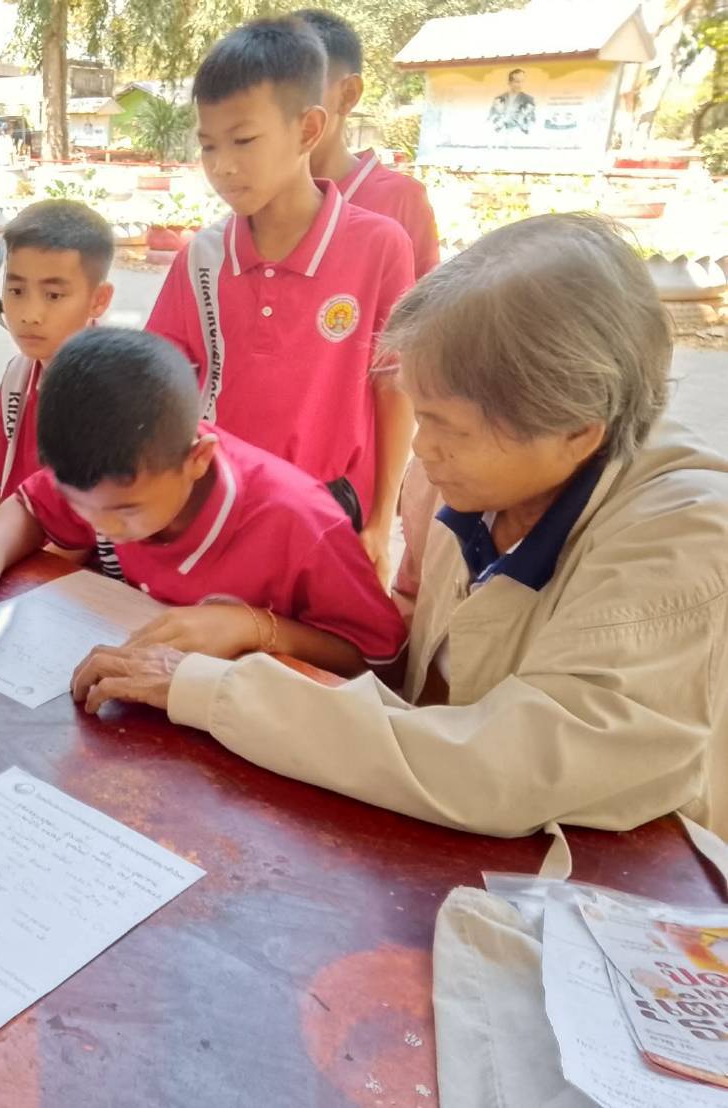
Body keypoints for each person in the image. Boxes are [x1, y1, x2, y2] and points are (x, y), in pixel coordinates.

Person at [73, 213, 728, 839]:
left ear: (574, 433)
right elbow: (410, 664)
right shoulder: (463, 476)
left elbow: (499, 770)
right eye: (420, 414)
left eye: (445, 425)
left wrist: (211, 689)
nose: (419, 450)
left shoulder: (680, 538)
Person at [0, 328, 408, 676]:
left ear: (198, 459)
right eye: (82, 508)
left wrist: (253, 628)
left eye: (126, 512)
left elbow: (380, 659)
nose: (104, 530)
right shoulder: (107, 477)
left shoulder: (300, 523)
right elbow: (30, 505)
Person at [145, 17, 416, 585]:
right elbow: (158, 381)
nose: (222, 165)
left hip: (331, 516)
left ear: (308, 129)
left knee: (312, 659)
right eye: (208, 144)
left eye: (243, 140)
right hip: (222, 510)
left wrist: (381, 519)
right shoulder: (202, 256)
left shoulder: (379, 247)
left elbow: (394, 389)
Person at [0, 200, 116, 524]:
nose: (30, 315)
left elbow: (74, 542)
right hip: (11, 547)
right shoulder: (18, 376)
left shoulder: (109, 397)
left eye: (53, 296)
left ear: (98, 300)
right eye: (17, 290)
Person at [294, 8, 440, 277]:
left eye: (296, 88)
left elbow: (424, 313)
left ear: (348, 94)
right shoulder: (260, 196)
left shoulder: (401, 201)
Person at [488, 69, 535, 134]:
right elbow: (491, 118)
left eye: (522, 81)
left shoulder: (528, 99)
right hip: (501, 134)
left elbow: (533, 120)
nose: (520, 85)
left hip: (519, 135)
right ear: (510, 83)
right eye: (517, 82)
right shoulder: (499, 99)